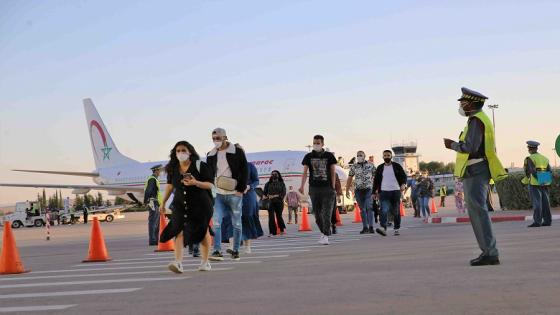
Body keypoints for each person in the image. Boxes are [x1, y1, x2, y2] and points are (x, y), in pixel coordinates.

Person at [444, 87, 507, 266]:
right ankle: (488, 251)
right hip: (477, 169)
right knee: (478, 212)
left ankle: (490, 252)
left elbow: (469, 148)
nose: (461, 105)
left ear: (472, 104)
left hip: (476, 169)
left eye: (463, 102)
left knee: (479, 212)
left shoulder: (475, 120)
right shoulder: (479, 120)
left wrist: (453, 145)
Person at [160, 141, 215, 273]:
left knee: (203, 232)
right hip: (180, 204)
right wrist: (163, 202)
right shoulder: (173, 168)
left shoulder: (200, 166)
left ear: (190, 152)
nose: (180, 153)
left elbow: (210, 185)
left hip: (201, 204)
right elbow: (169, 186)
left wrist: (195, 182)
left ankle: (205, 262)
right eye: (178, 151)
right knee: (178, 230)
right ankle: (178, 262)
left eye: (183, 150)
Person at [206, 128, 248, 261]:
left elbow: (244, 170)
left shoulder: (237, 152)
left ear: (225, 137)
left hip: (234, 192)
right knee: (217, 222)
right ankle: (217, 250)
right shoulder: (211, 155)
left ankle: (235, 250)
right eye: (213, 138)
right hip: (218, 193)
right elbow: (209, 174)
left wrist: (240, 190)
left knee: (237, 223)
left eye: (218, 138)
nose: (215, 141)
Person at [299, 135, 337, 245]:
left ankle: (325, 236)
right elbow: (305, 172)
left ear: (322, 144)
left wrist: (333, 187)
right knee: (316, 214)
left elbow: (333, 172)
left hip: (327, 188)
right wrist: (302, 186)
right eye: (314, 143)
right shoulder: (308, 156)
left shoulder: (329, 156)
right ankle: (324, 232)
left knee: (326, 213)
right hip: (314, 188)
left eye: (318, 143)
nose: (316, 145)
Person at [373, 150, 407, 236]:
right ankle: (383, 228)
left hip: (395, 191)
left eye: (388, 155)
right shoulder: (380, 167)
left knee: (396, 211)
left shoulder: (397, 166)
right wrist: (374, 192)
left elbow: (403, 176)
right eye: (385, 155)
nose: (386, 157)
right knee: (384, 210)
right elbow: (376, 181)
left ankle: (396, 228)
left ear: (391, 156)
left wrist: (403, 184)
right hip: (384, 192)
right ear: (383, 157)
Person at [522, 141, 553, 227]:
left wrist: (538, 180)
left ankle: (537, 222)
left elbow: (532, 171)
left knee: (537, 203)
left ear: (529, 149)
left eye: (528, 148)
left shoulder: (530, 158)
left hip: (534, 183)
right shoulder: (544, 158)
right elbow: (549, 171)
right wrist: (543, 180)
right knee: (545, 202)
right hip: (545, 183)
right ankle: (547, 221)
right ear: (536, 148)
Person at [345, 151, 376, 234]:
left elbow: (376, 177)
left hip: (368, 189)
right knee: (362, 209)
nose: (359, 157)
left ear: (364, 156)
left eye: (361, 155)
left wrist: (376, 189)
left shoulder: (370, 165)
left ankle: (371, 227)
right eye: (358, 155)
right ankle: (365, 227)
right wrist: (347, 190)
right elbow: (350, 178)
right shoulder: (354, 167)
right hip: (358, 190)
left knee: (369, 207)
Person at [241, 162, 263, 253]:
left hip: (248, 195)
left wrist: (249, 186)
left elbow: (256, 180)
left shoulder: (249, 166)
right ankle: (236, 243)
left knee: (247, 217)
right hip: (233, 194)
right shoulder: (230, 166)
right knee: (233, 218)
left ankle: (247, 245)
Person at [263, 170, 287, 236]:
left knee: (279, 216)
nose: (274, 175)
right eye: (272, 174)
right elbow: (264, 193)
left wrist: (275, 195)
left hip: (279, 202)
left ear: (278, 175)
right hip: (270, 202)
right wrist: (266, 196)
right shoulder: (267, 184)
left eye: (275, 174)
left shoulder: (282, 183)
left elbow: (283, 193)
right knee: (271, 217)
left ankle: (282, 230)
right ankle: (272, 232)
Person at [144, 164, 163, 246]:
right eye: (160, 170)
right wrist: (146, 201)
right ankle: (152, 240)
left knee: (156, 222)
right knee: (153, 222)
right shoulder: (152, 179)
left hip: (156, 203)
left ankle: (155, 239)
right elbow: (148, 191)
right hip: (153, 202)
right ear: (156, 171)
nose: (161, 172)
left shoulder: (155, 179)